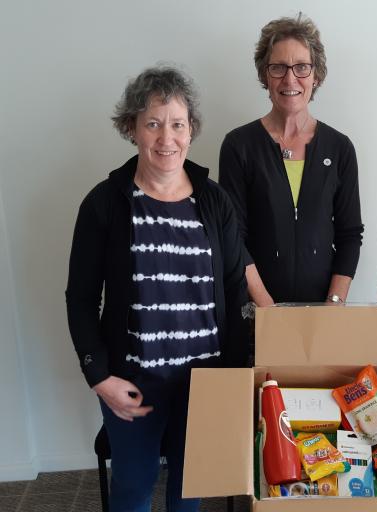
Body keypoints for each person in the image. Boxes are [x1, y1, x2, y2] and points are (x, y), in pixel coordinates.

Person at [66, 66, 248, 511]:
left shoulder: (213, 200)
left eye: (178, 124)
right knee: (133, 487)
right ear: (132, 128)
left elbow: (234, 285)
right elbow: (82, 298)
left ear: (191, 130)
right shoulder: (105, 203)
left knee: (190, 490)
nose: (167, 137)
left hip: (204, 382)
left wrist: (237, 373)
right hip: (133, 381)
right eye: (153, 123)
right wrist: (100, 376)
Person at [219, 14, 364, 308]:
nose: (290, 79)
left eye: (301, 67)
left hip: (324, 313)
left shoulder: (340, 148)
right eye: (278, 68)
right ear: (264, 74)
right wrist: (265, 308)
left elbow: (349, 235)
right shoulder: (239, 145)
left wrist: (334, 304)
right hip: (255, 312)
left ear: (316, 75)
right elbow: (233, 236)